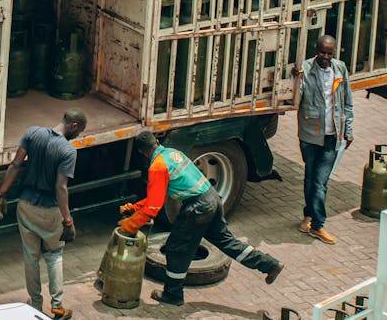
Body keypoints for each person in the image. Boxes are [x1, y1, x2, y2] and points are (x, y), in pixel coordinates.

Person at [118, 130, 283, 306]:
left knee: (176, 249)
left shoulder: (157, 167)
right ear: (156, 142)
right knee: (226, 241)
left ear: (142, 152)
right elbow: (158, 195)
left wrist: (129, 226)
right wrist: (135, 208)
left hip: (198, 207)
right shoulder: (172, 154)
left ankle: (173, 295)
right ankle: (269, 264)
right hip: (212, 197)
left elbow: (153, 208)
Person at [0, 109, 88, 319]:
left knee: (30, 256)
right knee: (54, 255)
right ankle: (57, 306)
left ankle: (35, 305)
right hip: (50, 211)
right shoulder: (68, 151)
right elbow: (61, 188)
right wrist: (68, 221)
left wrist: (1, 194)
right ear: (73, 125)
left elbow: (15, 165)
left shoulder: (32, 133)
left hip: (26, 205)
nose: (77, 135)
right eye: (79, 131)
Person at [291, 34, 354, 245]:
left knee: (320, 182)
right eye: (322, 52)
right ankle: (308, 215)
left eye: (329, 53)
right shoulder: (305, 69)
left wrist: (348, 130)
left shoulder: (340, 69)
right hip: (310, 135)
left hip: (332, 135)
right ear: (316, 50)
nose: (326, 57)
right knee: (310, 178)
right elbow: (296, 98)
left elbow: (347, 102)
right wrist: (295, 79)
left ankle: (317, 225)